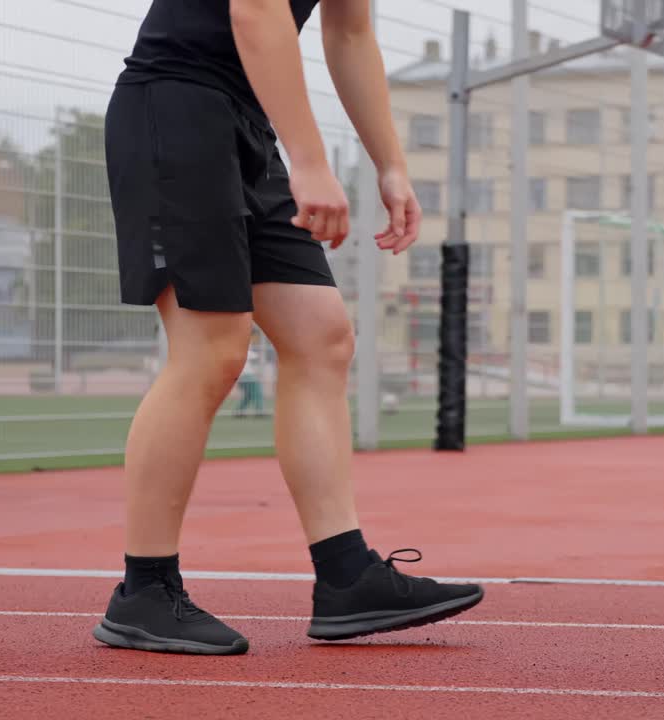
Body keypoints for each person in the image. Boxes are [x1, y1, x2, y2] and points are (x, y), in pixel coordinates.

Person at [94, 0, 483, 656]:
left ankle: (347, 575)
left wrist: (390, 164)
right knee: (212, 349)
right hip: (175, 106)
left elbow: (349, 29)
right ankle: (144, 589)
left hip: (243, 121)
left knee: (321, 335)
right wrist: (309, 158)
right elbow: (253, 9)